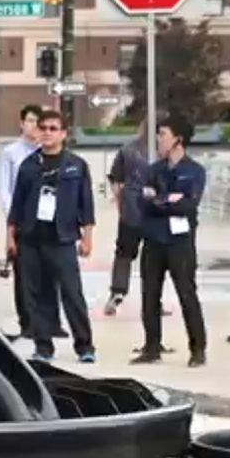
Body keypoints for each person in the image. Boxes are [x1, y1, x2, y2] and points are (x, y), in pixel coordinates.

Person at [7, 110, 96, 364]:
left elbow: (86, 204)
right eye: (43, 128)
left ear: (63, 134)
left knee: (72, 293)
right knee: (36, 295)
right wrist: (10, 236)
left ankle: (85, 345)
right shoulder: (29, 165)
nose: (47, 133)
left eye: (53, 128)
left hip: (63, 238)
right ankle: (43, 346)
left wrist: (87, 236)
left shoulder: (76, 165)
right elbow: (17, 204)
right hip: (31, 238)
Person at [132, 116, 208, 368]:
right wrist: (168, 200)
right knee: (150, 295)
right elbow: (142, 202)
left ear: (178, 139)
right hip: (153, 239)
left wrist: (160, 199)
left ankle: (198, 348)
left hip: (180, 243)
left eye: (163, 134)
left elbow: (188, 205)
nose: (159, 139)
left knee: (187, 294)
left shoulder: (195, 171)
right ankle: (152, 347)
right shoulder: (154, 170)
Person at [0, 104, 61, 339]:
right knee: (25, 274)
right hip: (22, 220)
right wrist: (12, 219)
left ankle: (52, 322)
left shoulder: (50, 152)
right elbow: (4, 189)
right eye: (31, 121)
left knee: (50, 273)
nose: (36, 127)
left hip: (48, 220)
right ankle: (29, 322)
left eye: (39, 123)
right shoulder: (11, 153)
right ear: (22, 124)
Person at [103, 119, 149, 316]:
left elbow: (116, 181)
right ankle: (152, 297)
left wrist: (121, 204)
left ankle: (118, 291)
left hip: (131, 209)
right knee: (153, 257)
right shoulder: (164, 151)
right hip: (155, 212)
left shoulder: (127, 149)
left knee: (124, 254)